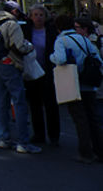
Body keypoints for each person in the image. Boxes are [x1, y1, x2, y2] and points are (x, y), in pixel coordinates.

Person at [0, 1, 39, 154]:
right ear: (14, 11)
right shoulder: (12, 24)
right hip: (10, 64)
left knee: (1, 103)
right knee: (19, 102)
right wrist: (30, 46)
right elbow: (19, 46)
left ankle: (4, 138)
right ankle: (23, 142)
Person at [50, 16, 103, 164]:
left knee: (80, 119)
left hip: (73, 84)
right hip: (89, 83)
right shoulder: (84, 39)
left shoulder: (62, 40)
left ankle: (85, 153)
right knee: (93, 118)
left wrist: (51, 57)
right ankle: (99, 150)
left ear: (58, 27)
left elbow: (60, 59)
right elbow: (98, 59)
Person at [23, 4, 60, 146]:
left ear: (45, 17)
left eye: (41, 15)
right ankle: (39, 134)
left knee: (51, 105)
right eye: (35, 15)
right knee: (35, 105)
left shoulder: (51, 31)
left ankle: (54, 135)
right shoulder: (26, 31)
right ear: (31, 17)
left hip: (48, 72)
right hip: (32, 72)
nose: (38, 17)